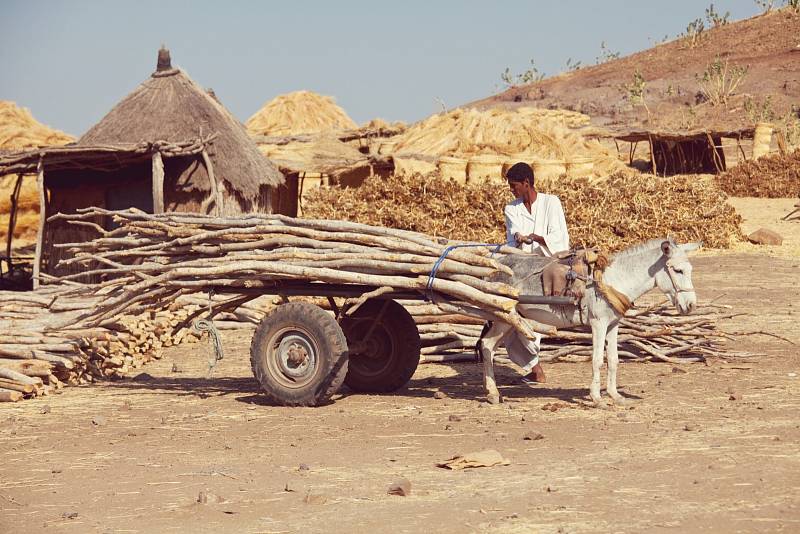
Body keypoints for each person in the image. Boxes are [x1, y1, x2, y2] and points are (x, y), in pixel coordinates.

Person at [502, 162, 570, 384]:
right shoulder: (512, 209)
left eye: (514, 186)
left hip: (550, 267)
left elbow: (560, 238)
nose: (512, 190)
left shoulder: (552, 203)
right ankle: (535, 367)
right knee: (511, 319)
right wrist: (522, 240)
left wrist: (536, 238)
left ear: (526, 183)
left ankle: (535, 368)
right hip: (523, 270)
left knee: (535, 316)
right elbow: (513, 240)